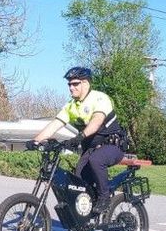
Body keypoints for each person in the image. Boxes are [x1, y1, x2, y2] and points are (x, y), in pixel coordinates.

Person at [27, 67, 129, 218]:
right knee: (79, 181)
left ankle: (104, 197)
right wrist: (36, 141)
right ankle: (84, 219)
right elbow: (55, 124)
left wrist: (79, 137)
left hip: (112, 146)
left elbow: (97, 121)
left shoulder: (99, 98)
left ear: (86, 83)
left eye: (75, 84)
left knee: (96, 160)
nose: (71, 87)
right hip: (91, 149)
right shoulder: (71, 106)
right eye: (69, 84)